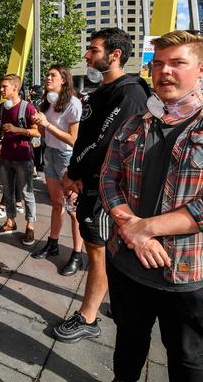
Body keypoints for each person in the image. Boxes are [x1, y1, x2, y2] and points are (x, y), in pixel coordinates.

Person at [100, 30, 203, 382]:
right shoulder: (136, 122)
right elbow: (108, 179)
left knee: (188, 361)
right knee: (128, 345)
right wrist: (134, 231)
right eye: (158, 63)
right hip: (126, 262)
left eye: (178, 63)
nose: (165, 71)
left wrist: (150, 228)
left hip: (186, 274)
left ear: (201, 69)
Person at [53, 27, 150, 343]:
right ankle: (116, 304)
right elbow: (86, 138)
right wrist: (76, 173)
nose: (87, 55)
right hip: (90, 183)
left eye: (93, 50)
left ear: (115, 54)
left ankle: (88, 317)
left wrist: (74, 172)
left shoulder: (131, 92)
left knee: (98, 251)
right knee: (105, 250)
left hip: (108, 190)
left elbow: (106, 143)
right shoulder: (100, 93)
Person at [31, 66, 84, 275]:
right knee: (56, 204)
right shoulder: (48, 102)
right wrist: (41, 125)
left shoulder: (73, 103)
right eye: (47, 75)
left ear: (64, 80)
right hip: (50, 153)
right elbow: (44, 133)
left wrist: (48, 125)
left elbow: (73, 139)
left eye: (53, 75)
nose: (47, 78)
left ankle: (77, 255)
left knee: (73, 210)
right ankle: (53, 244)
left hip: (66, 157)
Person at [0, 74, 40, 246]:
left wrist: (17, 129)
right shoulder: (4, 107)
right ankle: (10, 222)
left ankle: (30, 226)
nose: (2, 89)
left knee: (27, 193)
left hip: (23, 157)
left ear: (15, 88)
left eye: (5, 87)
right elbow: (2, 128)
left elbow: (37, 132)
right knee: (8, 191)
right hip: (6, 156)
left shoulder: (28, 107)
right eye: (1, 86)